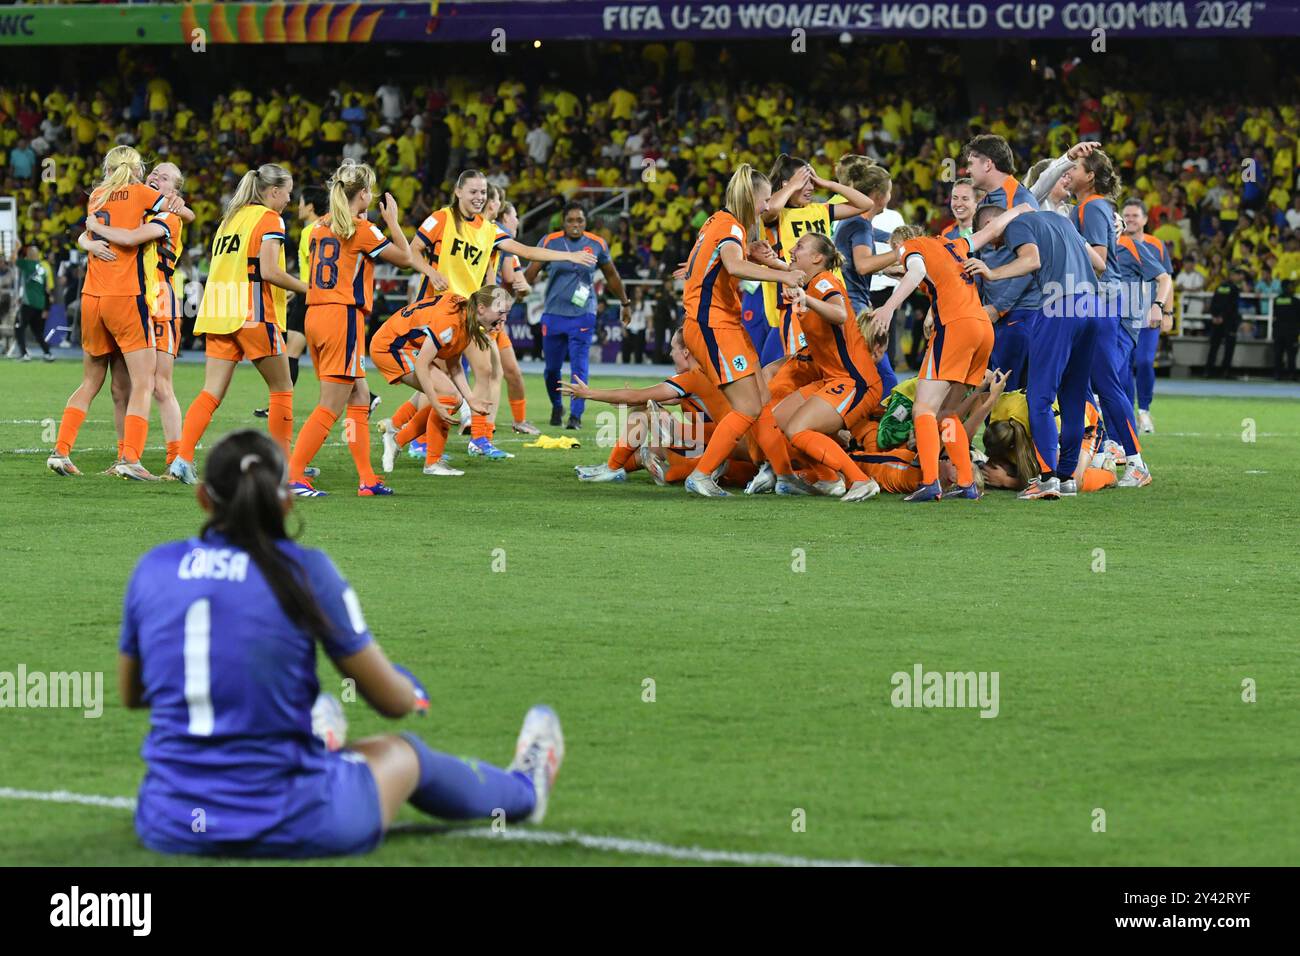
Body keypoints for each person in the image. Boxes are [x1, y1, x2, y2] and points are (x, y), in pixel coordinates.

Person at [119, 429, 563, 858]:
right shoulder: (305, 571)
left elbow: (134, 694)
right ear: (287, 499)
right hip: (299, 820)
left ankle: (314, 739)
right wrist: (409, 690)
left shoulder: (154, 568)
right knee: (404, 752)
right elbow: (390, 701)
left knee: (302, 748)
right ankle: (525, 790)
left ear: (202, 498)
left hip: (169, 821)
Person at [288, 161, 429, 498]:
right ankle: (293, 476)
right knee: (330, 405)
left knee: (360, 397)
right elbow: (407, 258)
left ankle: (367, 479)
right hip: (342, 318)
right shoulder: (361, 229)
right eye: (372, 190)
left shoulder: (320, 227)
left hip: (315, 315)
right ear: (363, 194)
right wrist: (393, 221)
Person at [167, 163, 307, 484]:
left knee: (211, 392)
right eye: (287, 192)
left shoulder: (231, 220)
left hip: (219, 309)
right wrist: (309, 289)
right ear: (273, 192)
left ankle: (182, 460)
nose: (289, 199)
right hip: (252, 310)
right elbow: (270, 272)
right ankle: (282, 467)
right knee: (282, 388)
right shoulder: (270, 219)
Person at [868, 209, 1019, 501]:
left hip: (955, 328)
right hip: (982, 329)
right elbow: (991, 230)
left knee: (923, 409)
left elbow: (917, 271)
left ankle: (929, 482)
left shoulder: (911, 247)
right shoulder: (953, 244)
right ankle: (966, 482)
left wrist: (889, 307)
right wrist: (1021, 207)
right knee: (948, 413)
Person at [678, 164, 809, 498]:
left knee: (762, 399)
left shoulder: (719, 222)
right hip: (712, 326)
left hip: (723, 323)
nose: (767, 208)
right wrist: (784, 276)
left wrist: (758, 256)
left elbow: (722, 260)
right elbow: (734, 265)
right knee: (749, 407)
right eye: (764, 200)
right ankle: (702, 473)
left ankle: (783, 474)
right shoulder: (732, 229)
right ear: (751, 198)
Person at [47, 146, 172, 480]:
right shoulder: (141, 192)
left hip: (91, 298)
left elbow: (88, 234)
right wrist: (174, 204)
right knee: (144, 382)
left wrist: (89, 241)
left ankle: (61, 451)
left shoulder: (98, 196)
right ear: (137, 168)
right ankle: (131, 458)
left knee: (94, 381)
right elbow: (174, 209)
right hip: (125, 297)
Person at [964, 204, 1100, 500]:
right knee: (1074, 396)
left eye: (988, 235)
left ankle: (1047, 478)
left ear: (993, 222)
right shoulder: (1059, 221)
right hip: (1092, 304)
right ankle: (1066, 478)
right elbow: (1099, 264)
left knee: (1039, 397)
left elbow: (1031, 259)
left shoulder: (1017, 226)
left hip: (1059, 305)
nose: (992, 244)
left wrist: (992, 273)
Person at [80, 162, 194, 475]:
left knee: (159, 384)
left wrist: (94, 227)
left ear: (174, 192)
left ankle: (176, 460)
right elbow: (90, 236)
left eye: (166, 177)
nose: (157, 177)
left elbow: (129, 239)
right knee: (121, 388)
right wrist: (88, 239)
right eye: (154, 173)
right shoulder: (136, 209)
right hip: (129, 303)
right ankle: (126, 458)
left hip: (158, 303)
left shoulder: (168, 215)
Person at [1069, 149, 1152, 487]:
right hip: (1098, 301)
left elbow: (1098, 259)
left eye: (1074, 167)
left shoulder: (1090, 207)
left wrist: (1065, 235)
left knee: (1104, 383)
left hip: (1099, 300)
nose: (1068, 172)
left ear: (1090, 175)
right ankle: (1102, 449)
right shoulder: (1095, 207)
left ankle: (1136, 462)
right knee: (1083, 381)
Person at [373, 286, 509, 477]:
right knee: (449, 397)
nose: (503, 318)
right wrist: (435, 402)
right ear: (481, 308)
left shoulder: (466, 317)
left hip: (404, 345)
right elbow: (422, 364)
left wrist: (470, 399)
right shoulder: (452, 322)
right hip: (390, 348)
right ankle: (429, 461)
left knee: (454, 399)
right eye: (500, 312)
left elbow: (454, 365)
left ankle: (397, 439)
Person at [524, 200, 631, 430]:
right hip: (553, 315)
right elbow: (530, 273)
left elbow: (612, 276)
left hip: (584, 314)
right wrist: (516, 292)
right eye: (570, 220)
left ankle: (576, 416)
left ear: (586, 222)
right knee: (551, 369)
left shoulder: (597, 243)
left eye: (579, 220)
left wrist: (625, 302)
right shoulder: (549, 241)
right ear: (563, 222)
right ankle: (556, 405)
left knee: (579, 367)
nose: (575, 224)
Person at [254, 185, 328, 419]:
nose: (298, 206)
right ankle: (366, 397)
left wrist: (303, 291)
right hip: (308, 295)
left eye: (302, 202)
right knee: (319, 354)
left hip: (311, 297)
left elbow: (316, 270)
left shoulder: (310, 232)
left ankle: (277, 404)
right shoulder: (321, 228)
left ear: (310, 206)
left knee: (293, 352)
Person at [15, 243, 54, 362]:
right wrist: (46, 307)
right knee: (37, 331)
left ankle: (24, 354)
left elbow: (14, 259)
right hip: (40, 304)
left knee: (19, 328)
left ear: (28, 254)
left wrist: (17, 248)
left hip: (28, 303)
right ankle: (48, 353)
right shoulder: (43, 268)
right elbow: (47, 289)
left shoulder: (26, 264)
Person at [1205, 269, 1242, 378]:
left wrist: (1215, 316)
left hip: (1216, 321)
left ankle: (1208, 370)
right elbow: (1232, 306)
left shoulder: (1219, 287)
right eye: (1237, 275)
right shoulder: (1234, 289)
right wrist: (1223, 317)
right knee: (1229, 347)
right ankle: (1225, 371)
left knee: (1214, 346)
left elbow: (1213, 303)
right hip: (1228, 321)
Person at [1272, 279, 1299, 380]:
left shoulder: (1277, 300)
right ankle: (1292, 375)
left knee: (1278, 353)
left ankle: (1277, 374)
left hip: (1278, 331)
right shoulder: (1296, 301)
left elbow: (1275, 316)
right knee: (1291, 354)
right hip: (1291, 332)